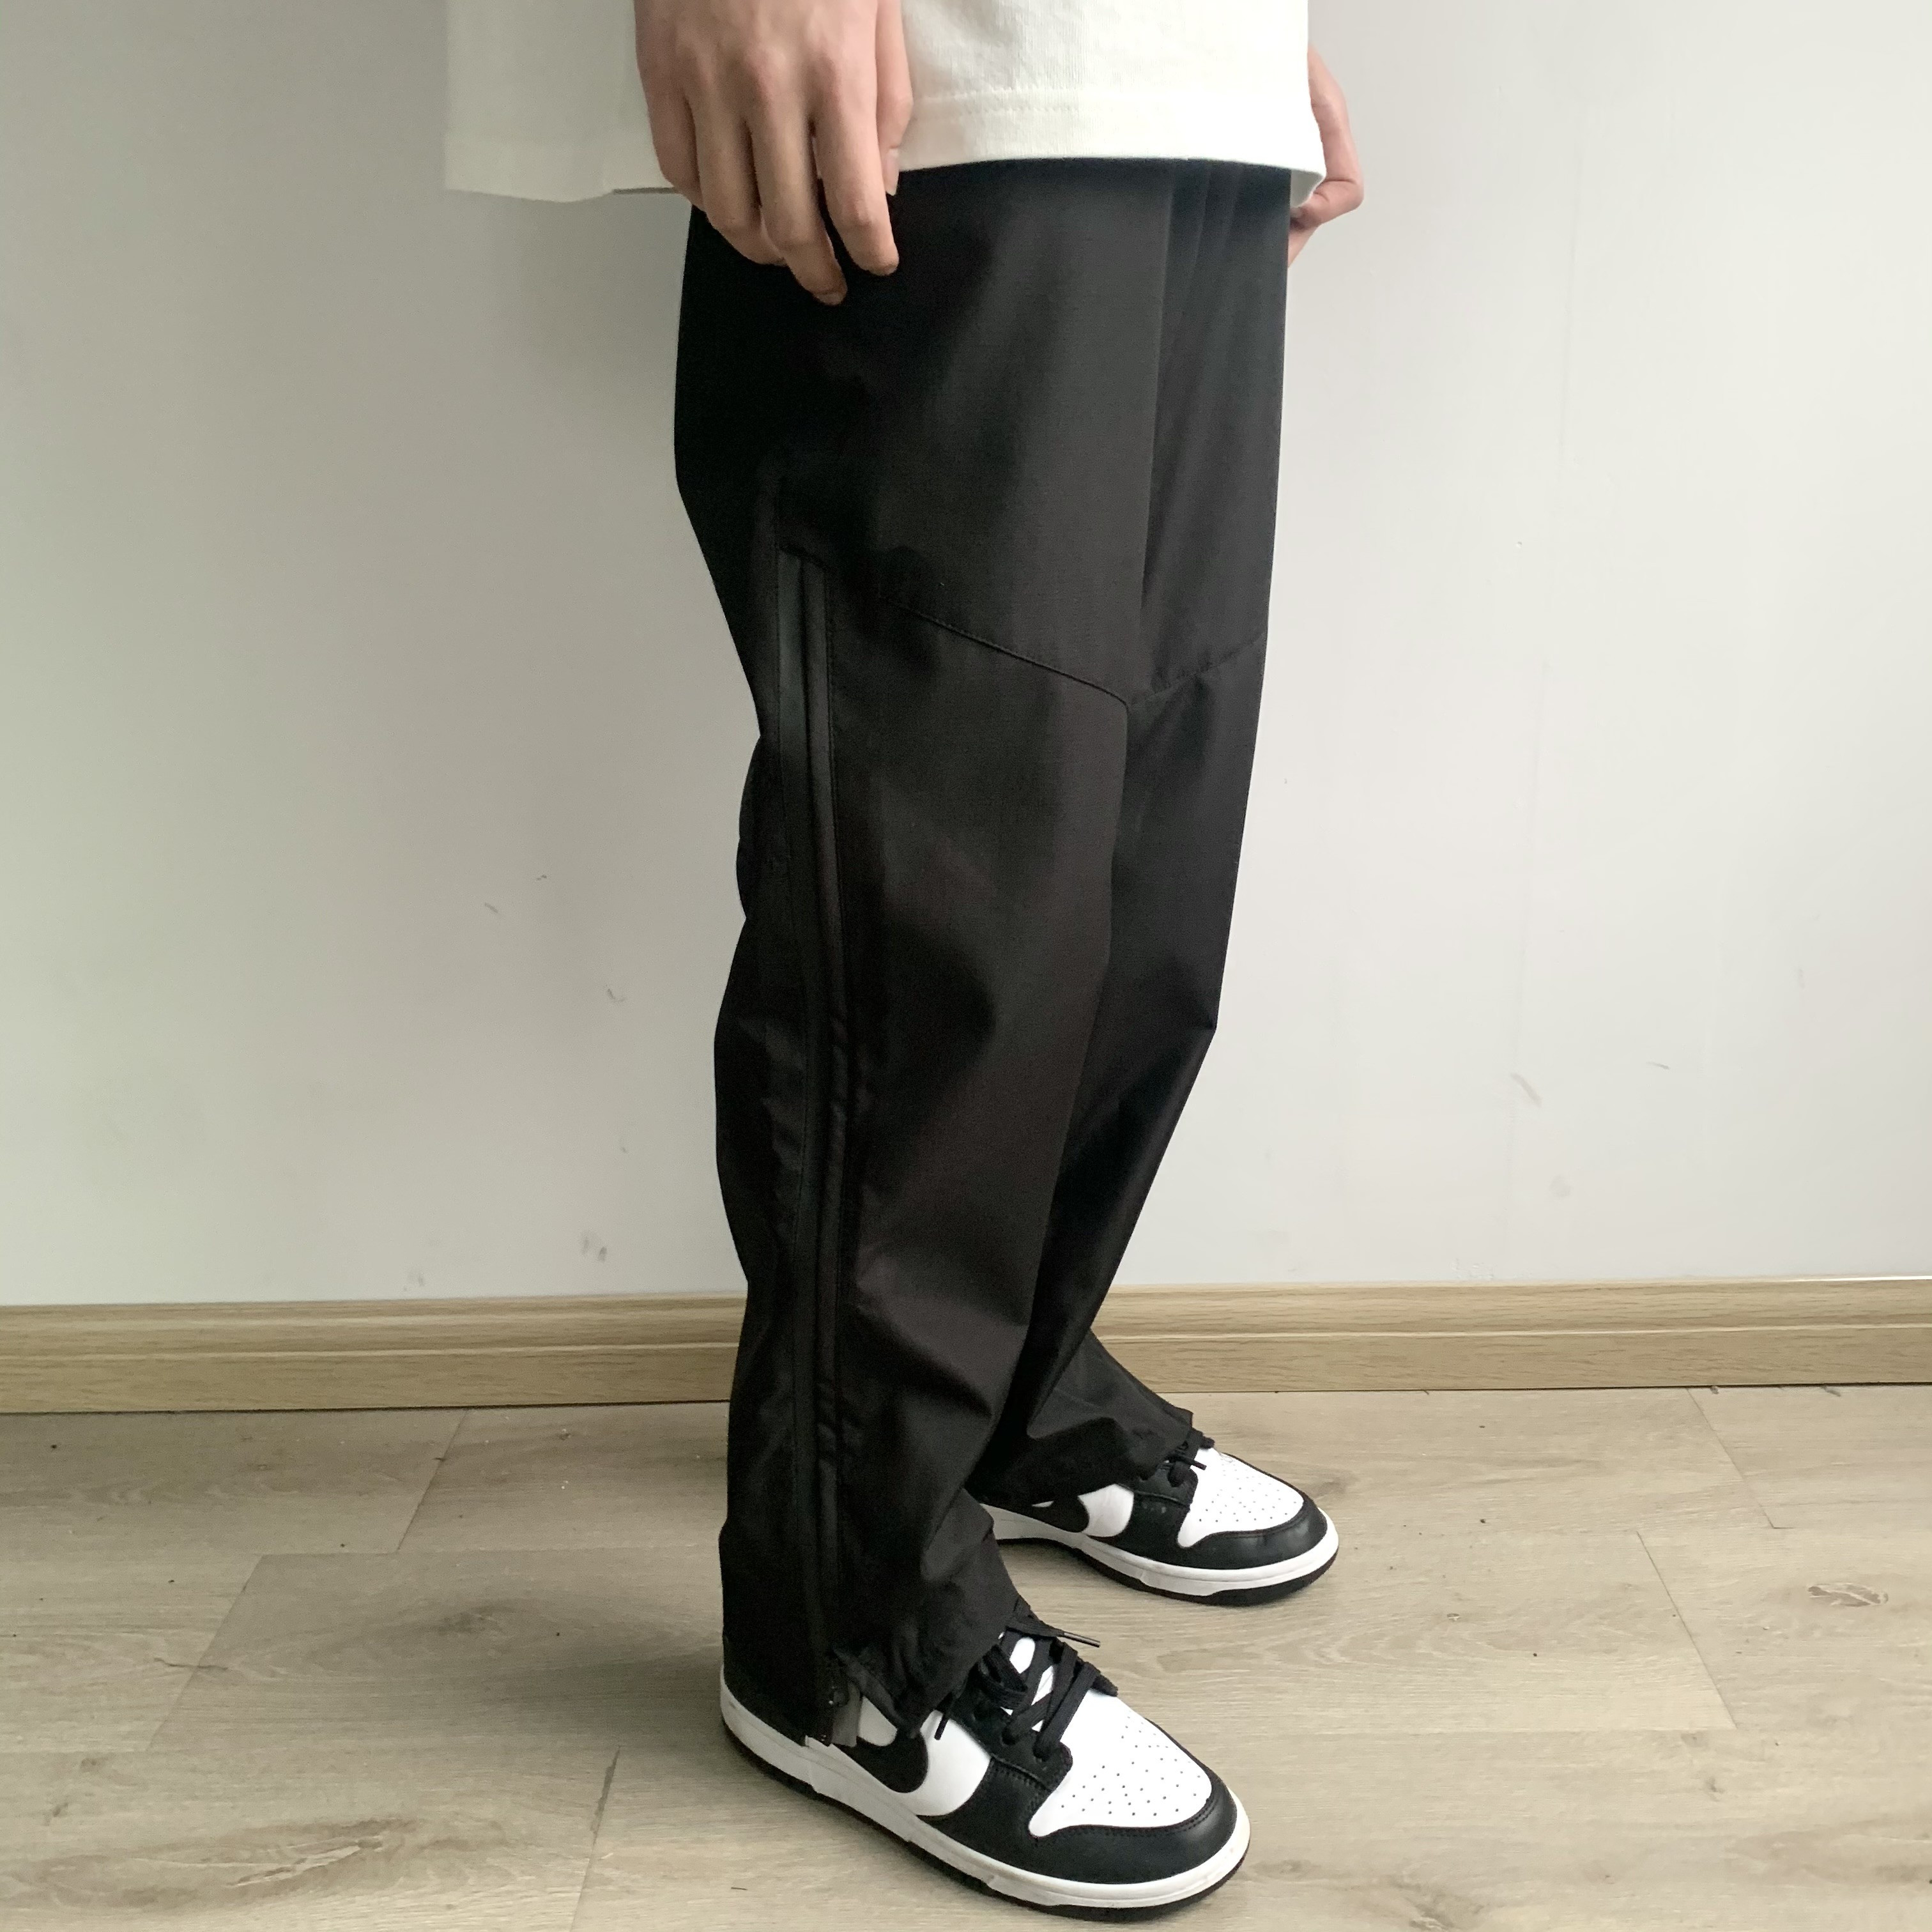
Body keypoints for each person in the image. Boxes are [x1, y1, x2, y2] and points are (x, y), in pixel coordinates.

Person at [447, 0, 1363, 1912]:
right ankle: (850, 1620)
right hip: (926, 49)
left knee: (1146, 824)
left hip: (1154, 54)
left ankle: (1012, 1395)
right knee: (955, 849)